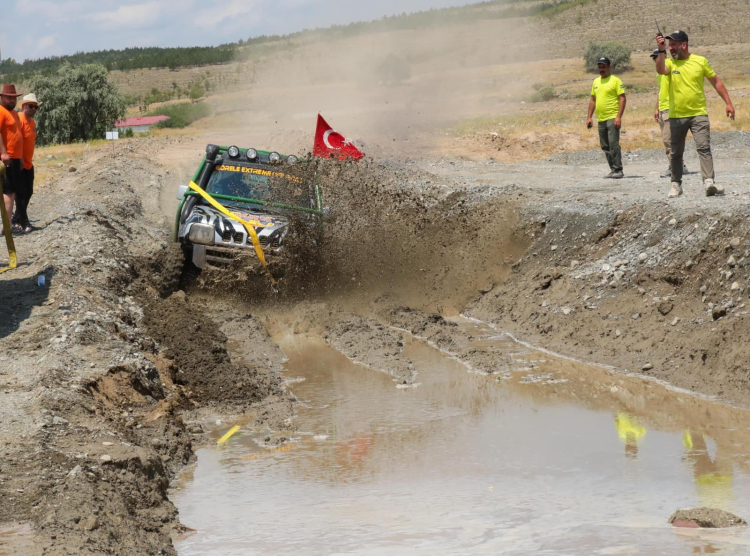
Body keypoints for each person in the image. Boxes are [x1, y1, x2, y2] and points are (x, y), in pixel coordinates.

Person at [655, 31, 735, 198]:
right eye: (669, 45)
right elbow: (661, 69)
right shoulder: (670, 63)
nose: (671, 48)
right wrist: (660, 50)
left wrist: (728, 103)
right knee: (676, 152)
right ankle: (676, 185)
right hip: (676, 116)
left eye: (673, 45)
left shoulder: (700, 61)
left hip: (699, 114)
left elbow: (716, 82)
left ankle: (708, 183)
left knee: (704, 148)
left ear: (684, 44)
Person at [651, 49, 689, 179]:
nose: (656, 60)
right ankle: (678, 165)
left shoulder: (670, 67)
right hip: (662, 109)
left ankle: (675, 167)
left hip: (670, 109)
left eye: (658, 57)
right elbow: (661, 91)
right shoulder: (659, 73)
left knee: (669, 140)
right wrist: (656, 109)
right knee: (667, 140)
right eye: (654, 58)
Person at [587, 57, 627, 179]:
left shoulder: (615, 81)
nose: (602, 69)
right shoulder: (596, 82)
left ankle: (618, 169)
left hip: (612, 117)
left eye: (604, 67)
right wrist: (589, 117)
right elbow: (593, 100)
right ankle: (613, 169)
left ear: (609, 67)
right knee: (605, 145)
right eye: (600, 67)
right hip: (601, 119)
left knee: (613, 144)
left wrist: (618, 117)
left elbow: (622, 98)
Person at [0, 84, 24, 233]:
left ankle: (6, 226)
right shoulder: (1, 111)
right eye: (9, 97)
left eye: (13, 98)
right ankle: (7, 228)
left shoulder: (14, 113)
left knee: (12, 191)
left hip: (14, 158)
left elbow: (17, 136)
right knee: (8, 191)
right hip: (5, 159)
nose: (11, 100)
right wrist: (3, 153)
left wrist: (20, 157)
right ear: (2, 97)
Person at [15, 94, 40, 233]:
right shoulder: (19, 119)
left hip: (29, 163)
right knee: (20, 194)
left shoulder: (32, 122)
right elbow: (15, 140)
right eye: (31, 106)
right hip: (19, 163)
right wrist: (19, 158)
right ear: (24, 106)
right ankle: (24, 223)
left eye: (35, 107)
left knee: (28, 192)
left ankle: (16, 219)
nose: (34, 109)